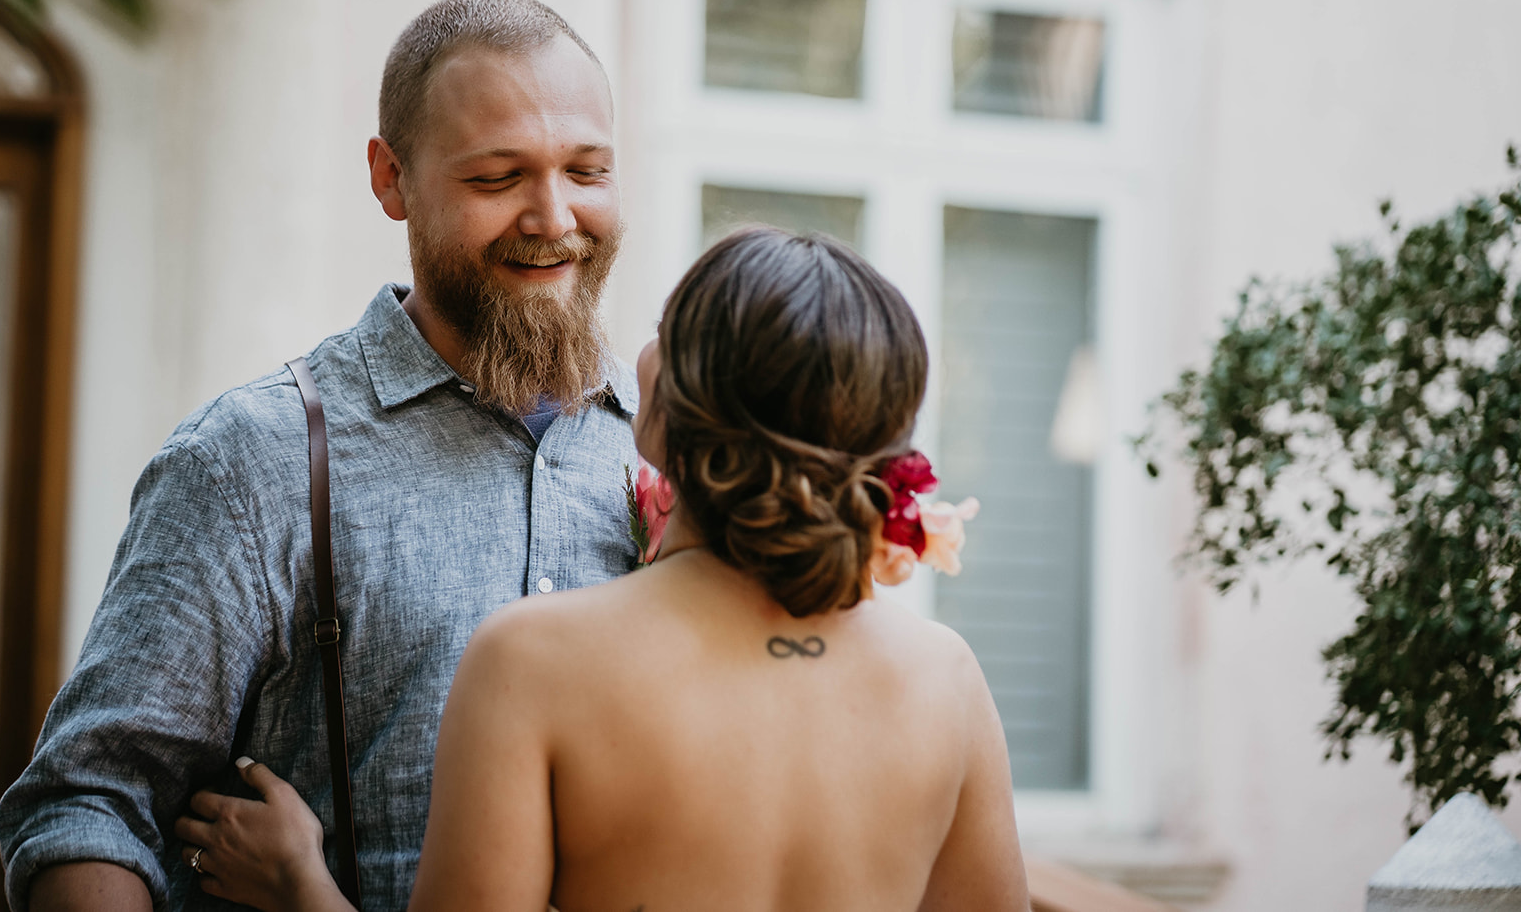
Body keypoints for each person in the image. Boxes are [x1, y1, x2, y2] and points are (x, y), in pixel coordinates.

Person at [0, 0, 640, 912]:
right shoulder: (251, 460)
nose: (552, 216)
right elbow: (89, 806)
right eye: (498, 179)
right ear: (390, 178)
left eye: (586, 171)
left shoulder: (671, 467)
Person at [174, 228, 1031, 912]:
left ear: (662, 423)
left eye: (666, 326)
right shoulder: (945, 679)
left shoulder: (532, 660)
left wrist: (302, 887)